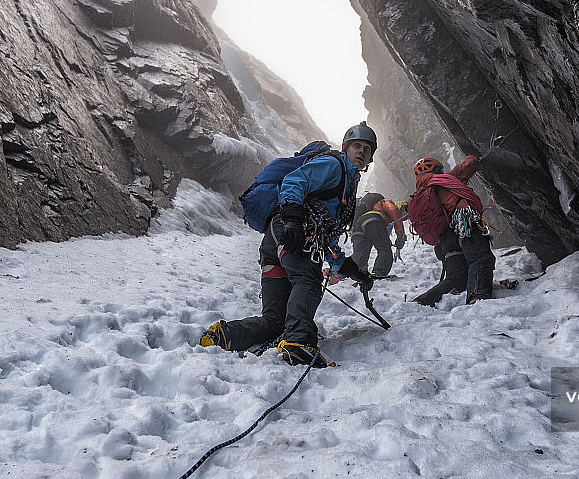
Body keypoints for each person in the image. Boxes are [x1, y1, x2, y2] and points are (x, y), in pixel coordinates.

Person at [200, 122, 378, 368]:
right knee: (308, 280)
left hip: (276, 244)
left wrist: (354, 271)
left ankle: (224, 335)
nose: (361, 152)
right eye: (356, 146)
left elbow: (329, 243)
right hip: (293, 234)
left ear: (370, 158)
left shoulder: (347, 189)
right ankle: (298, 341)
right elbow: (294, 181)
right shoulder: (333, 166)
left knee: (275, 321)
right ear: (345, 148)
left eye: (367, 149)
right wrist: (294, 219)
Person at [411, 155, 495, 306]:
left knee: (457, 277)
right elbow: (465, 168)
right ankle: (478, 298)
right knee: (481, 259)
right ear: (436, 169)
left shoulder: (423, 191)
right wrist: (473, 157)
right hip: (464, 224)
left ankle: (421, 301)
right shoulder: (442, 179)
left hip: (446, 240)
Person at [350, 192, 407, 278]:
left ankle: (352, 270)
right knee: (384, 248)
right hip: (374, 220)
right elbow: (393, 211)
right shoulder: (390, 205)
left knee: (362, 251)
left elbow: (380, 236)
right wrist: (401, 236)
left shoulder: (373, 209)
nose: (404, 215)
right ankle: (380, 271)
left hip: (361, 223)